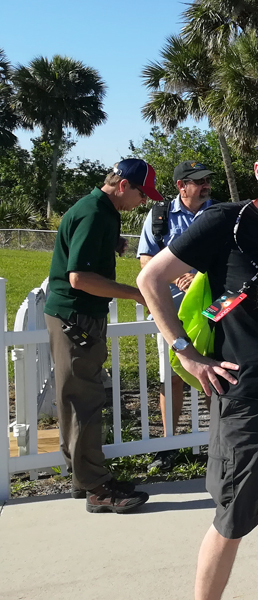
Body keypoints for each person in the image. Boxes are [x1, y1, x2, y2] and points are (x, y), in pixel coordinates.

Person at [137, 129, 258, 600]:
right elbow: (150, 279)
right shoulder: (227, 221)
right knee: (233, 516)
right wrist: (186, 352)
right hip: (246, 397)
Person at [43, 158, 163, 513]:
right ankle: (96, 487)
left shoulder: (101, 210)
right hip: (75, 318)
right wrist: (138, 293)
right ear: (123, 185)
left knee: (81, 397)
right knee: (84, 401)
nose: (143, 202)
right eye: (142, 194)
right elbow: (79, 277)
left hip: (77, 316)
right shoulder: (94, 213)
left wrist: (111, 246)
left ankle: (84, 476)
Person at [136, 160, 215, 471]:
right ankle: (169, 445)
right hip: (170, 310)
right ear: (181, 186)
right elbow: (146, 260)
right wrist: (175, 278)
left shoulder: (217, 213)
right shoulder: (159, 216)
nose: (205, 185)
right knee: (171, 376)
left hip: (213, 310)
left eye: (208, 180)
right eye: (198, 181)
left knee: (214, 370)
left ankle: (219, 441)